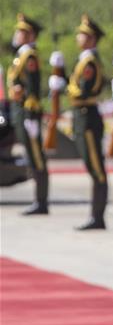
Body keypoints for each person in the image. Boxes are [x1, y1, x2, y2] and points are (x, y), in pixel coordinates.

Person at [50, 15, 108, 230]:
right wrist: (62, 73)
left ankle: (98, 216)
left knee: (97, 169)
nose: (78, 37)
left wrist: (63, 84)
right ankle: (95, 215)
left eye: (82, 34)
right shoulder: (84, 60)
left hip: (88, 117)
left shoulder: (90, 62)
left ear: (92, 39)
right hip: (81, 117)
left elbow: (83, 90)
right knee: (92, 168)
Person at [7, 13, 49, 215]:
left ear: (30, 35)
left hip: (27, 111)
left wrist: (31, 114)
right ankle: (38, 201)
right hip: (20, 110)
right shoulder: (21, 55)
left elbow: (32, 86)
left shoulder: (29, 56)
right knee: (32, 158)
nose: (17, 34)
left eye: (21, 31)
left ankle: (41, 202)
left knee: (36, 157)